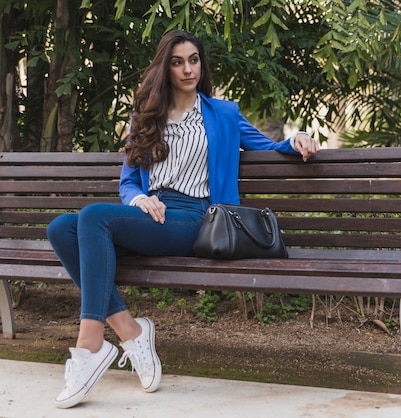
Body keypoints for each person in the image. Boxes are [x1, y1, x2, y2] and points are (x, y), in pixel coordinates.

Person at [46, 29, 319, 409]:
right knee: (61, 228)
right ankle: (131, 331)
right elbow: (128, 182)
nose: (188, 69)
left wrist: (299, 138)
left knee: (92, 217)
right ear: (166, 68)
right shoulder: (145, 117)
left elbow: (269, 145)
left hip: (196, 217)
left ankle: (90, 346)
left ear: (201, 65)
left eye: (193, 60)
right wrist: (141, 199)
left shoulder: (223, 114)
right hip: (153, 213)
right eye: (178, 62)